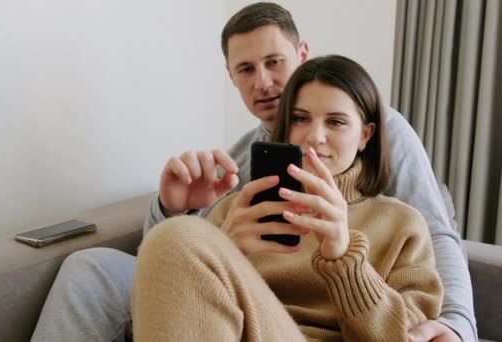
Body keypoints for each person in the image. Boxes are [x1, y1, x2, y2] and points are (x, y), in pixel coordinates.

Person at [31, 3, 476, 342]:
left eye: (274, 63)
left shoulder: (394, 195)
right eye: (246, 69)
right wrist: (174, 209)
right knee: (98, 262)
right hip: (245, 314)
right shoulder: (245, 160)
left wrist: (456, 326)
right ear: (231, 76)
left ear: (365, 133)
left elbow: (437, 238)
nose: (262, 82)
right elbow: (179, 257)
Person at [132, 54, 444, 341]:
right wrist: (226, 250)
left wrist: (345, 259)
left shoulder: (403, 225)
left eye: (335, 122)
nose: (314, 137)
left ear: (365, 135)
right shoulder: (238, 209)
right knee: (175, 235)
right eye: (300, 119)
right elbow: (169, 310)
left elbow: (405, 335)